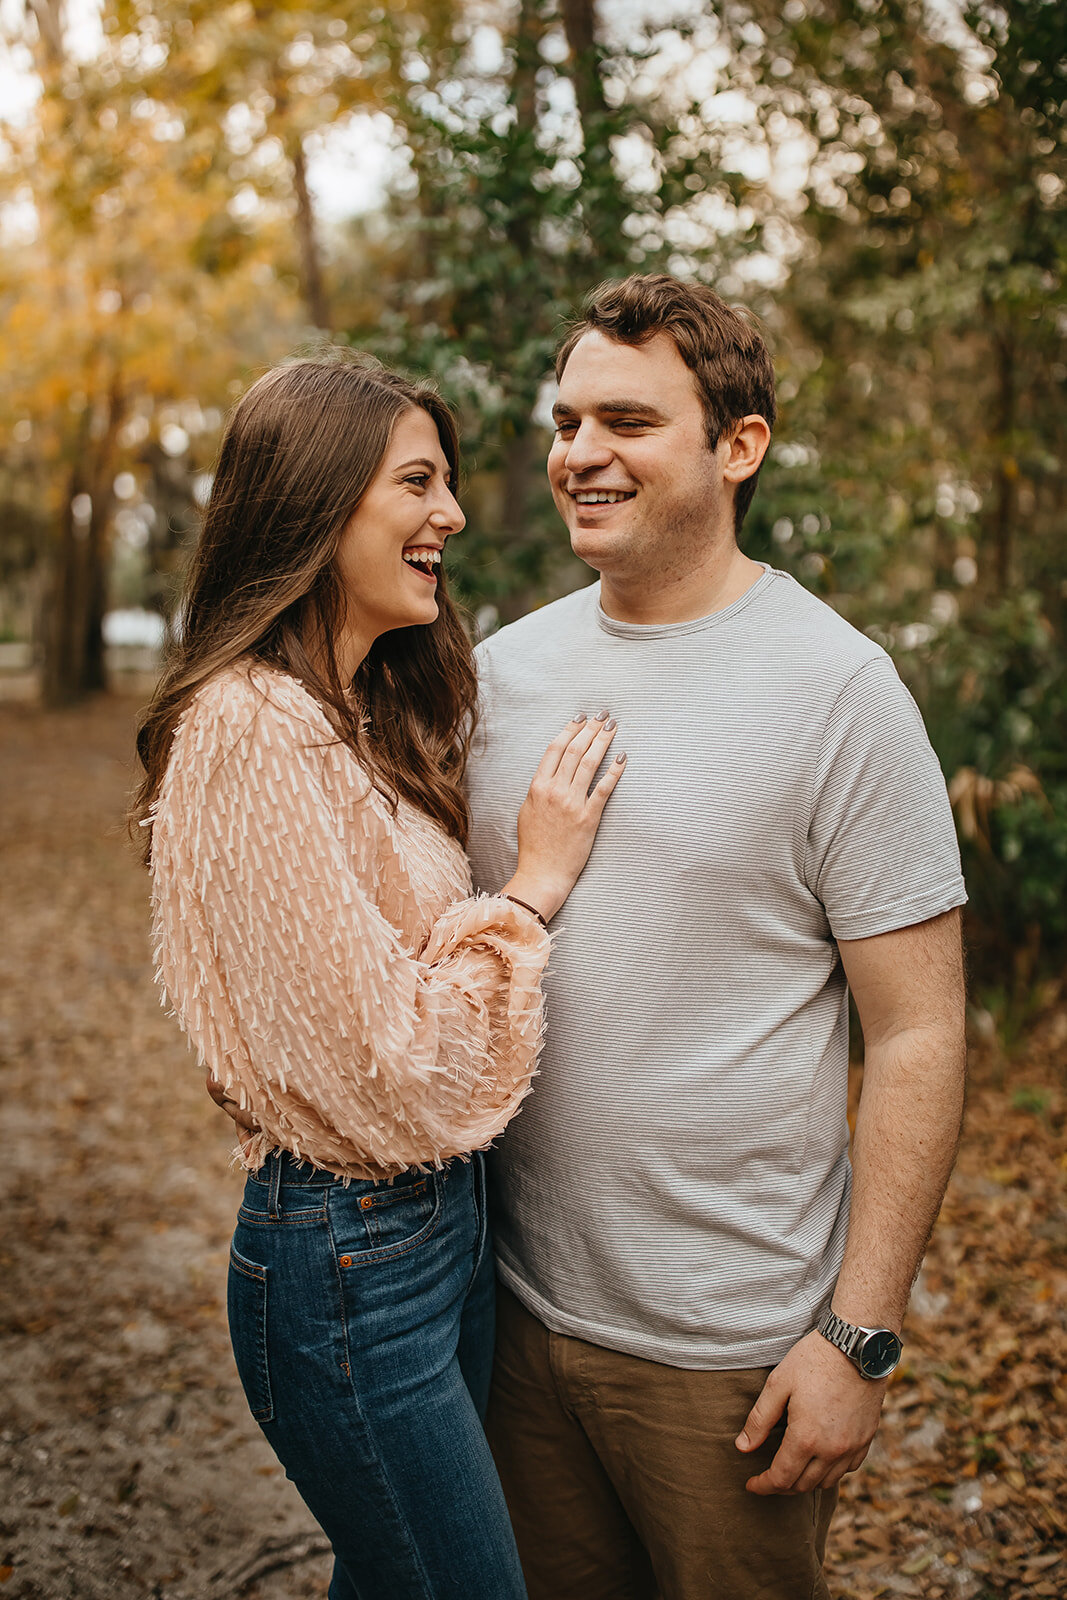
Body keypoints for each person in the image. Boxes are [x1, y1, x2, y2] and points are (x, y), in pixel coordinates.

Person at [464, 274, 968, 1599]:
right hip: (505, 1317)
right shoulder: (498, 671)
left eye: (625, 421)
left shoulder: (835, 690)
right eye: (566, 421)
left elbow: (916, 1032)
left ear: (734, 447)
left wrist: (854, 1340)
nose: (578, 453)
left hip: (724, 1361)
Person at [130, 352, 626, 1600]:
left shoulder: (358, 711)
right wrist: (531, 891)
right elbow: (392, 1061)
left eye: (446, 484)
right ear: (316, 501)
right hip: (349, 1261)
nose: (450, 515)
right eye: (418, 483)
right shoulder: (252, 727)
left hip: (435, 1234)